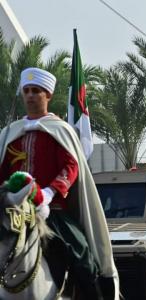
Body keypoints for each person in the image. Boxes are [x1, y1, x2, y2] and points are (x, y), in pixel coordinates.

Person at [0, 67, 119, 299]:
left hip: (51, 210)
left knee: (83, 255)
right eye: (27, 91)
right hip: (12, 211)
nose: (31, 95)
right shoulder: (9, 132)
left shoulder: (60, 130)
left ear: (48, 95)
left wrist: (49, 193)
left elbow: (70, 166)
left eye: (36, 91)